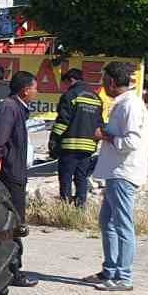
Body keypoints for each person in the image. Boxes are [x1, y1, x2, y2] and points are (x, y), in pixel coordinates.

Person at [92, 61, 148, 292]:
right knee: (107, 221)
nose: (102, 85)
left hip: (123, 173)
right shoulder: (122, 104)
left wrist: (105, 136)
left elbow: (131, 141)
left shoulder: (131, 106)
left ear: (112, 82)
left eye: (104, 80)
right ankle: (110, 270)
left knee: (122, 224)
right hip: (115, 172)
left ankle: (123, 277)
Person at [0, 70, 39, 288]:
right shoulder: (9, 108)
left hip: (16, 173)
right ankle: (13, 271)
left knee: (16, 223)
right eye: (35, 88)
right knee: (14, 224)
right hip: (10, 176)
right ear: (25, 90)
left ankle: (12, 268)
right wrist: (1, 169)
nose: (36, 92)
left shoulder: (18, 108)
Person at [49, 67, 103, 207]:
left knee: (65, 177)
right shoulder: (96, 98)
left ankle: (66, 207)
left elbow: (63, 121)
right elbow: (99, 124)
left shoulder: (70, 95)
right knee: (81, 177)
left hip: (70, 146)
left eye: (65, 83)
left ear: (71, 80)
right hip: (88, 147)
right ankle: (80, 207)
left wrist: (53, 139)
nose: (65, 87)